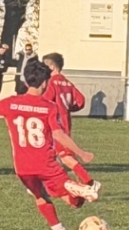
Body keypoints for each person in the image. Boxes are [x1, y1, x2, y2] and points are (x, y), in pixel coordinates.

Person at [0, 59, 100, 230]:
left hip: (22, 167)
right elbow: (58, 134)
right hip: (45, 163)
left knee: (41, 196)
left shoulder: (11, 103)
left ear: (26, 81)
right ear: (45, 83)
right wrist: (82, 152)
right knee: (73, 201)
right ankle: (76, 187)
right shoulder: (49, 107)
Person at [41, 52, 96, 191]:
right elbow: (81, 100)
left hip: (55, 123)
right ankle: (76, 182)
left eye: (45, 66)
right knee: (62, 153)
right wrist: (68, 108)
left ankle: (89, 182)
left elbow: (45, 100)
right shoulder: (67, 83)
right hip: (65, 121)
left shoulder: (52, 82)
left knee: (65, 156)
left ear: (52, 66)